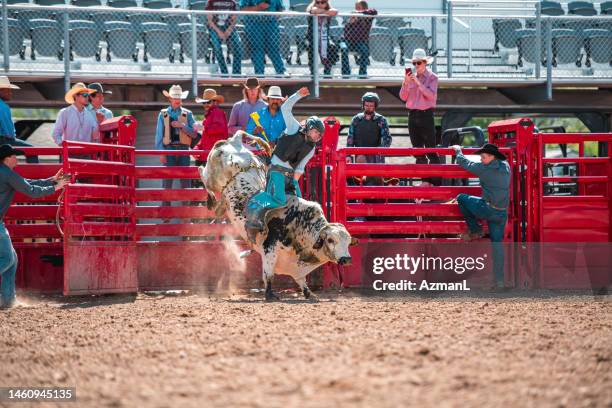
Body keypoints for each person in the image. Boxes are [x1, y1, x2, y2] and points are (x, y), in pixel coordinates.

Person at [245, 87, 325, 242]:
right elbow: (286, 108)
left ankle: (294, 232)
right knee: (280, 199)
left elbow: (300, 167)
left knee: (300, 203)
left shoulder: (312, 148)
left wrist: (294, 181)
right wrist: (297, 95)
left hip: (289, 174)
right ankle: (256, 201)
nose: (316, 136)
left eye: (319, 134)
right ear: (309, 127)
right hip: (276, 169)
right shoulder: (294, 127)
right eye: (315, 131)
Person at [0, 145, 69, 308]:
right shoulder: (6, 174)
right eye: (14, 156)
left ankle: (8, 300)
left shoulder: (5, 173)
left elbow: (26, 183)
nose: (17, 159)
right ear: (7, 158)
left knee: (13, 259)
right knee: (9, 259)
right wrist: (55, 187)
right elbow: (31, 191)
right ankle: (8, 299)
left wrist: (52, 180)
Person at [452, 143, 510, 290]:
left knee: (461, 197)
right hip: (502, 212)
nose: (481, 159)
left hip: (487, 209)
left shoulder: (484, 169)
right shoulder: (506, 167)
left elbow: (463, 162)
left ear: (491, 157)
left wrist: (458, 150)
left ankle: (475, 228)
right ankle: (499, 282)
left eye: (483, 157)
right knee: (497, 245)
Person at [399, 48, 440, 184]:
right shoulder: (410, 78)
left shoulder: (433, 78)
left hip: (426, 115)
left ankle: (435, 184)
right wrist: (405, 82)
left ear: (425, 63)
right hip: (412, 115)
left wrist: (417, 82)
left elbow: (431, 97)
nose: (416, 66)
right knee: (418, 151)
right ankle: (425, 181)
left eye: (419, 63)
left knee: (431, 150)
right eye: (414, 63)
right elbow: (403, 97)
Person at [154, 85, 197, 205]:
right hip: (168, 150)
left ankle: (186, 216)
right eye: (175, 97)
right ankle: (166, 214)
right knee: (167, 183)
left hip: (184, 150)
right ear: (170, 99)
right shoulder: (162, 114)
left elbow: (194, 134)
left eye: (179, 97)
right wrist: (161, 153)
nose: (177, 100)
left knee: (185, 184)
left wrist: (182, 126)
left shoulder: (188, 114)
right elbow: (159, 135)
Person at [239, 0, 286, 76]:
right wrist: (258, 7)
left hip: (271, 24)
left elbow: (280, 9)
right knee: (257, 49)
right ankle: (259, 74)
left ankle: (281, 71)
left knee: (274, 48)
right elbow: (243, 9)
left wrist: (273, 17)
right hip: (253, 24)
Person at [0, 77, 38, 164]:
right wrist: (12, 139)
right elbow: (8, 131)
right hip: (3, 140)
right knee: (32, 150)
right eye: (8, 90)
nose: (11, 93)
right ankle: (34, 174)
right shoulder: (3, 106)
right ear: (1, 91)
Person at [346, 92, 391, 164]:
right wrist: (348, 155)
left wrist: (379, 152)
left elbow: (387, 139)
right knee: (360, 171)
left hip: (376, 156)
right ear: (363, 105)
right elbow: (350, 139)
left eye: (371, 105)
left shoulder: (381, 120)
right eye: (366, 105)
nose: (368, 107)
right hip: (360, 155)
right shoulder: (356, 119)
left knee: (375, 175)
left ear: (375, 106)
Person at [341, 0, 377, 78]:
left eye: (358, 8)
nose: (356, 9)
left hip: (359, 42)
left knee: (365, 51)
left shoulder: (367, 17)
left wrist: (359, 13)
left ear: (364, 8)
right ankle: (346, 74)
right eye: (356, 8)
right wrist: (350, 22)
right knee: (344, 49)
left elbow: (374, 11)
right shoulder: (352, 16)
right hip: (347, 41)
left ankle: (362, 74)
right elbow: (345, 32)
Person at [206, 0, 242, 76]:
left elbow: (234, 19)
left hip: (229, 27)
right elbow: (210, 21)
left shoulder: (232, 2)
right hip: (215, 27)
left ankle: (236, 74)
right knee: (217, 47)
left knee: (238, 44)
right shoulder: (211, 2)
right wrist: (219, 32)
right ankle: (224, 73)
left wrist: (229, 30)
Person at [193, 88, 228, 160]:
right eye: (204, 102)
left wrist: (203, 128)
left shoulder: (217, 112)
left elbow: (219, 128)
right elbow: (205, 138)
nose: (205, 104)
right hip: (209, 157)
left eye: (208, 102)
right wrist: (197, 148)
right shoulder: (208, 116)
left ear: (215, 102)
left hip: (214, 157)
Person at [306, 0, 339, 77]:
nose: (320, 4)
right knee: (311, 48)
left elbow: (335, 11)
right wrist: (326, 12)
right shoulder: (312, 9)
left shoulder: (328, 9)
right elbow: (314, 11)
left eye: (323, 2)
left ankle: (327, 72)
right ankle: (313, 73)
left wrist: (323, 12)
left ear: (326, 3)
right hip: (312, 38)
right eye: (318, 2)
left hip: (324, 37)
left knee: (331, 47)